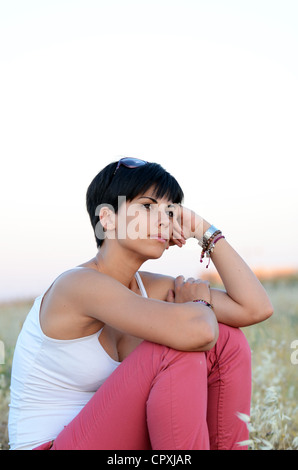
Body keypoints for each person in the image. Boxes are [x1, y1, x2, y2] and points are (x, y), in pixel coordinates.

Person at [8, 158, 273, 450]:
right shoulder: (77, 285)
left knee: (229, 341)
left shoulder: (150, 287)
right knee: (177, 344)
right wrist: (197, 305)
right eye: (147, 206)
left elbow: (255, 308)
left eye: (170, 211)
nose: (163, 219)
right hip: (52, 447)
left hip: (113, 444)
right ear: (107, 219)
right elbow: (199, 331)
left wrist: (203, 229)